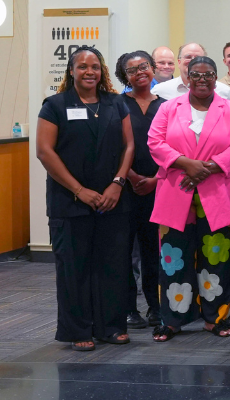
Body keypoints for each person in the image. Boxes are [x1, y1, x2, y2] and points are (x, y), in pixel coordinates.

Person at [38, 47, 136, 351]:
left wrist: (118, 183)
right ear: (71, 71)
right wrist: (79, 190)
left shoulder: (115, 103)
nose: (89, 71)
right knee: (73, 268)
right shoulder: (54, 105)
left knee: (113, 265)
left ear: (102, 71)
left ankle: (111, 325)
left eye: (94, 66)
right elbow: (44, 151)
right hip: (70, 202)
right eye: (82, 66)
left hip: (112, 199)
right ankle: (78, 329)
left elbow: (129, 145)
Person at [146, 55, 230, 341]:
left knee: (216, 259)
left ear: (216, 78)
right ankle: (172, 319)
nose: (202, 80)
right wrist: (185, 164)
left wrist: (207, 168)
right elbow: (155, 142)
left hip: (216, 193)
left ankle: (216, 318)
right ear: (187, 78)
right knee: (173, 259)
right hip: (175, 192)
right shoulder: (168, 108)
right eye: (196, 75)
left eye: (208, 75)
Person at [116, 51, 166, 329]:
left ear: (153, 68)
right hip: (126, 187)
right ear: (125, 76)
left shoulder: (168, 105)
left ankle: (156, 308)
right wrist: (132, 176)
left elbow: (177, 146)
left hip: (161, 187)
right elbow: (115, 146)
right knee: (124, 251)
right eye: (132, 70)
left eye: (143, 66)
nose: (139, 73)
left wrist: (156, 179)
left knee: (153, 251)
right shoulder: (116, 104)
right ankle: (128, 309)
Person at [151, 43, 230, 101]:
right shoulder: (160, 91)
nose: (193, 61)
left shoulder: (224, 91)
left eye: (197, 57)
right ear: (179, 62)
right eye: (188, 57)